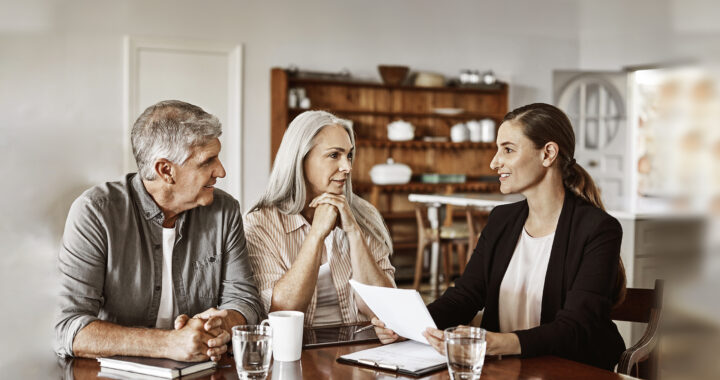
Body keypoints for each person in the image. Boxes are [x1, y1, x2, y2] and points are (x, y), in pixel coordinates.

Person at [373, 103, 627, 370]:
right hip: (505, 370)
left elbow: (575, 327)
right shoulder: (501, 220)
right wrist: (409, 326)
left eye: (508, 149)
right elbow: (465, 296)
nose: (495, 162)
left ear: (548, 153)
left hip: (571, 371)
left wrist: (496, 342)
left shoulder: (598, 229)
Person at [54, 100, 264, 362]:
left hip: (201, 370)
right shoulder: (96, 212)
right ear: (166, 170)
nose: (220, 171)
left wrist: (219, 326)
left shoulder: (225, 210)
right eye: (207, 161)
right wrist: (168, 344)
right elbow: (70, 329)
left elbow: (245, 301)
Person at [244, 110, 395, 327]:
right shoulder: (260, 224)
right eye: (334, 155)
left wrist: (354, 232)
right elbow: (283, 312)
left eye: (349, 155)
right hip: (297, 350)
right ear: (300, 159)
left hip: (361, 347)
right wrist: (316, 234)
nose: (347, 167)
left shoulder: (364, 215)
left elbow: (385, 310)